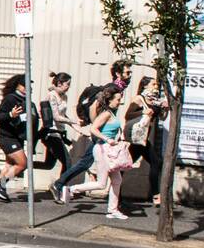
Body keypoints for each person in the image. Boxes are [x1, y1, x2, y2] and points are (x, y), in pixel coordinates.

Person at [62, 85, 130, 220]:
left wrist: (120, 139)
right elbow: (93, 129)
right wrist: (107, 139)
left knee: (117, 180)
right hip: (102, 149)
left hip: (110, 150)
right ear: (109, 100)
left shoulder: (112, 113)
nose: (120, 102)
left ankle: (113, 210)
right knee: (101, 183)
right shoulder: (105, 114)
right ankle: (71, 189)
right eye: (117, 99)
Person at [0, 74, 38, 203]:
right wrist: (11, 114)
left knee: (9, 165)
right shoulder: (11, 99)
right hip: (7, 136)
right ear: (18, 86)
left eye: (30, 86)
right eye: (25, 85)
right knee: (23, 163)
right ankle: (0, 185)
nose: (28, 88)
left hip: (17, 138)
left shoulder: (28, 102)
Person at [126, 75, 168, 207]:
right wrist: (144, 112)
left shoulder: (154, 101)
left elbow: (162, 117)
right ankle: (156, 196)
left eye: (156, 85)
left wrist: (165, 109)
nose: (156, 87)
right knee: (155, 162)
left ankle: (115, 194)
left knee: (125, 165)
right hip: (136, 139)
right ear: (144, 86)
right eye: (153, 84)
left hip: (144, 138)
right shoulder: (139, 99)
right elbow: (128, 115)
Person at [41, 72, 79, 179]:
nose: (68, 87)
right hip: (52, 133)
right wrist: (73, 121)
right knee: (67, 163)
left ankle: (24, 165)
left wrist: (76, 127)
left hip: (59, 132)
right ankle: (58, 187)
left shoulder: (64, 97)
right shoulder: (51, 95)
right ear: (59, 83)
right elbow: (56, 117)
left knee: (48, 165)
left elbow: (63, 115)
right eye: (67, 84)